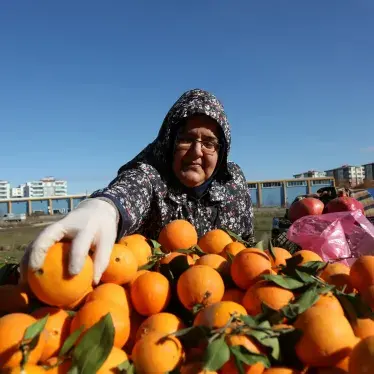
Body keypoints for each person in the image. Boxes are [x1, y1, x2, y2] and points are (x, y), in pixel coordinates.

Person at [23, 89, 255, 284]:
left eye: (209, 143)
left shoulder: (233, 181)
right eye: (186, 139)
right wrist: (105, 208)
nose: (196, 152)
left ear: (222, 150)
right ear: (169, 142)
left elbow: (246, 246)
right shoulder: (151, 176)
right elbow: (130, 190)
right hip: (155, 301)